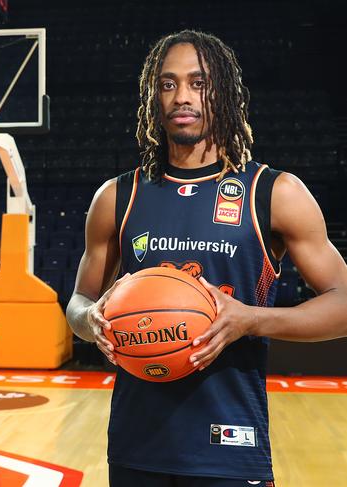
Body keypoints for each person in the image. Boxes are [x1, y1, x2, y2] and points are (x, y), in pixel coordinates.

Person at [66, 30, 347, 486]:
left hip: (231, 446)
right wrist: (91, 319)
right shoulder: (118, 196)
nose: (183, 97)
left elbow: (344, 302)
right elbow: (78, 301)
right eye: (168, 83)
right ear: (153, 96)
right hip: (137, 445)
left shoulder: (273, 192)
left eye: (199, 83)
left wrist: (250, 320)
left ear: (225, 93)